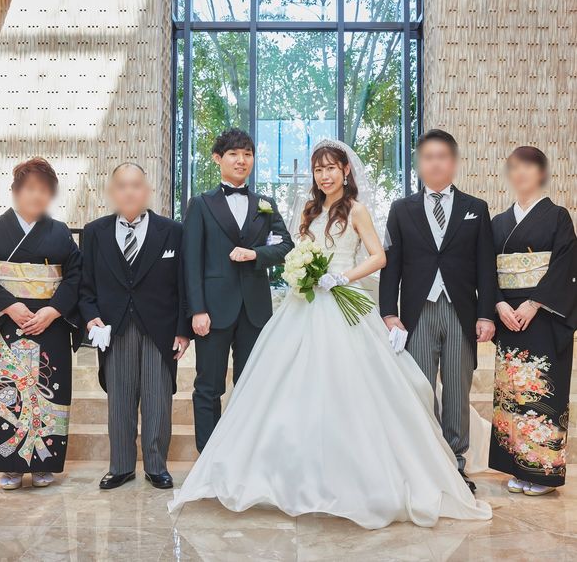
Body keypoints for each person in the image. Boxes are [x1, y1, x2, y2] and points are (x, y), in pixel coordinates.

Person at [168, 139, 492, 529]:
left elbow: (379, 256)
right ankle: (291, 475)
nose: (325, 176)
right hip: (304, 305)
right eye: (318, 170)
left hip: (342, 301)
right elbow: (291, 252)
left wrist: (342, 277)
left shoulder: (356, 210)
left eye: (331, 168)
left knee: (347, 388)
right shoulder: (309, 210)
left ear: (345, 170)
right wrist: (301, 272)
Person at [380, 129, 497, 492]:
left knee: (458, 390)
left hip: (461, 312)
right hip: (418, 313)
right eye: (428, 157)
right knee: (420, 389)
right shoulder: (402, 209)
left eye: (442, 156)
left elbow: (486, 267)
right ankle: (423, 464)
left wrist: (485, 314)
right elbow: (391, 265)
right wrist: (389, 312)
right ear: (419, 164)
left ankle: (455, 465)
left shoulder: (475, 208)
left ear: (454, 162)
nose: (435, 163)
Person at [80, 163, 191, 490]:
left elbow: (183, 283)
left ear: (147, 190)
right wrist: (90, 316)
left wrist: (183, 329)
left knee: (158, 399)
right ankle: (121, 466)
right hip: (115, 328)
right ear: (112, 192)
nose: (129, 191)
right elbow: (85, 285)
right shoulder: (95, 232)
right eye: (122, 185)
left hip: (161, 327)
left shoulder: (172, 231)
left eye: (136, 185)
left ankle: (157, 466)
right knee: (120, 400)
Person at [183, 128, 294, 452]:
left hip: (255, 311)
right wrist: (197, 309)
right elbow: (191, 262)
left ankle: (246, 454)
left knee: (252, 385)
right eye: (233, 154)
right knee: (208, 386)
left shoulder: (265, 204)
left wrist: (256, 254)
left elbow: (285, 245)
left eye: (247, 154)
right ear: (218, 159)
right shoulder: (201, 204)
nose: (241, 160)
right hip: (213, 311)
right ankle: (208, 456)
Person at [490, 146, 577, 496]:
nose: (521, 173)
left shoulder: (558, 216)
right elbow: (485, 269)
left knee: (541, 392)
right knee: (512, 394)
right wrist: (498, 303)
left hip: (543, 316)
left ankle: (543, 474)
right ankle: (517, 468)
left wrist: (534, 302)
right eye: (514, 168)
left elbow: (566, 265)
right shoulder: (498, 222)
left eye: (528, 167)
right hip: (508, 316)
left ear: (541, 173)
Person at [0, 158, 82, 490]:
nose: (37, 195)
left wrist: (54, 309)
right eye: (31, 188)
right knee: (8, 392)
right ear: (16, 191)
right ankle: (10, 466)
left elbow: (76, 275)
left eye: (45, 190)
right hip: (7, 322)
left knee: (50, 388)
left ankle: (43, 463)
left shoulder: (59, 232)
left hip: (51, 323)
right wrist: (8, 304)